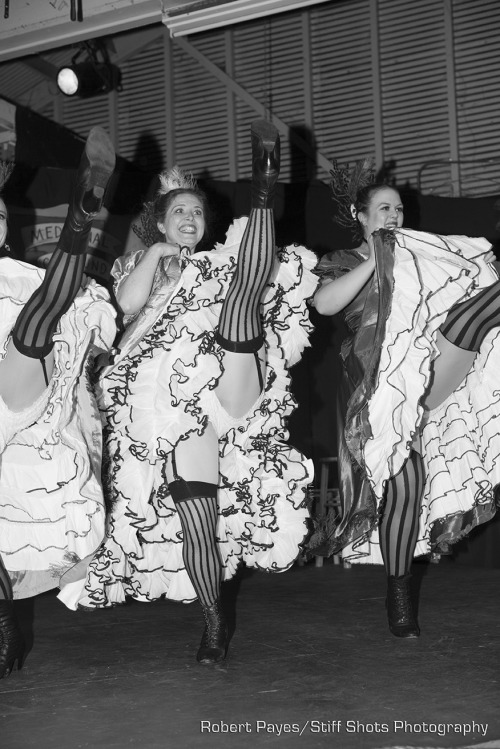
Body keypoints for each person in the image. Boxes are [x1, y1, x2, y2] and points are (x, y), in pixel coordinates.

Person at [63, 120, 317, 664]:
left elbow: (265, 279)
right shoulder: (142, 261)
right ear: (160, 219)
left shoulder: (223, 260)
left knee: (243, 305)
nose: (190, 218)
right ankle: (213, 620)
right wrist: (156, 255)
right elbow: (125, 308)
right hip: (174, 405)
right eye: (179, 211)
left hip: (231, 375)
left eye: (197, 212)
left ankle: (264, 186)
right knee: (198, 520)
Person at [313, 162, 499, 638]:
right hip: (377, 387)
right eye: (383, 209)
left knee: (474, 319)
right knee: (406, 486)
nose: (393, 215)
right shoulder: (343, 260)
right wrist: (379, 258)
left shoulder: (422, 254)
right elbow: (325, 304)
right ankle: (398, 590)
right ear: (361, 216)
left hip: (431, 365)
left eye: (398, 209)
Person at [0, 127, 116, 678]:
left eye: (1, 218)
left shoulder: (18, 278)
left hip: (16, 388)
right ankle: (4, 621)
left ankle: (81, 214)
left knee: (40, 316)